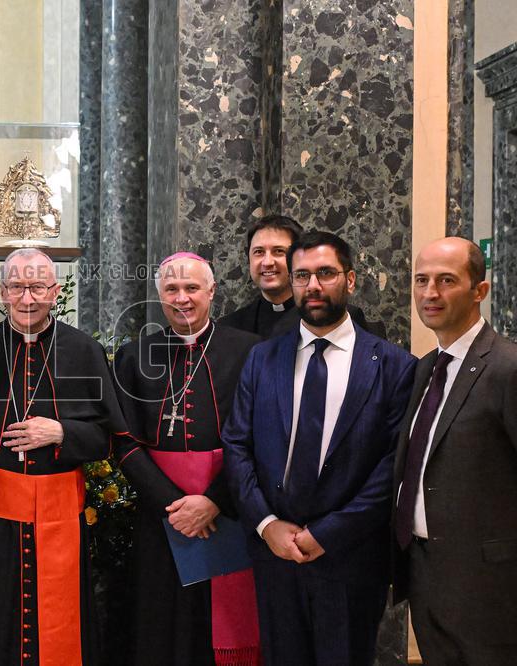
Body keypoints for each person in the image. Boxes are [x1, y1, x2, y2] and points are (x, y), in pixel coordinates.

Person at [222, 231, 415, 665]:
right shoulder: (262, 358)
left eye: (325, 274)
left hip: (349, 557)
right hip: (275, 554)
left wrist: (327, 533)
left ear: (349, 280)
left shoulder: (394, 366)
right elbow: (237, 444)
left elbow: (393, 467)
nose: (313, 286)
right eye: (303, 275)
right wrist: (267, 523)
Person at [0, 248, 125, 666]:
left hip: (59, 517)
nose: (27, 299)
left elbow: (110, 437)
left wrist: (62, 431)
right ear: (2, 291)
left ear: (56, 291)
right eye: (17, 288)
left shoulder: (83, 350)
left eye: (37, 288)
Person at [112, 252, 261, 665]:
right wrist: (172, 506)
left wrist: (215, 499)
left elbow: (259, 438)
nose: (182, 298)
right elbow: (122, 439)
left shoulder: (249, 352)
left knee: (227, 622)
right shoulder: (133, 356)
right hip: (161, 517)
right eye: (171, 289)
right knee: (163, 623)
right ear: (159, 295)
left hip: (229, 510)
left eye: (192, 288)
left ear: (212, 291)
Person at [393, 237, 517, 664]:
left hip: (493, 587)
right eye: (421, 280)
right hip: (426, 574)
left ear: (479, 291)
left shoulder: (507, 367)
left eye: (446, 281)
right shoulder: (426, 367)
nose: (430, 293)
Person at [220, 215, 386, 339]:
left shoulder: (346, 318)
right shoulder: (228, 328)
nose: (267, 262)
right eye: (259, 252)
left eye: (279, 251)